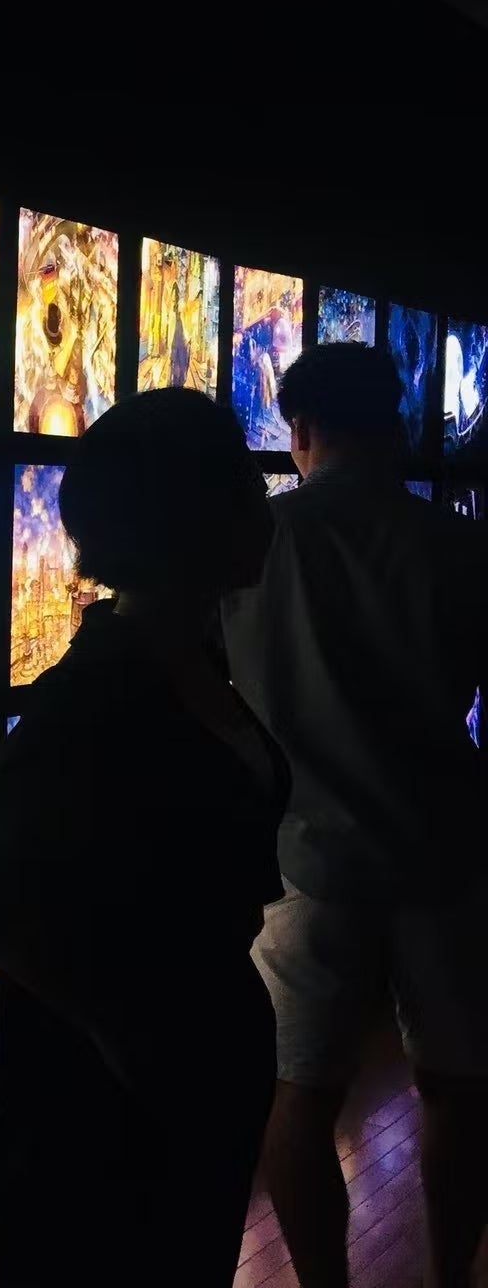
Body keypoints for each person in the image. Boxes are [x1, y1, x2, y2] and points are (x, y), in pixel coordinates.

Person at [0, 388, 286, 1285]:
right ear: (189, 517)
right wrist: (121, 1025)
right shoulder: (104, 689)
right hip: (97, 1131)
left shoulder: (187, 661)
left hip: (184, 1090)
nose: (264, 499)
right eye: (242, 480)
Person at [221, 342, 488, 1288]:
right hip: (443, 846)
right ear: (394, 425)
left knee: (297, 1098)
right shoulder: (455, 545)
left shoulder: (259, 542)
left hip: (303, 857)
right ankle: (450, 1274)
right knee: (457, 1086)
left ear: (300, 430)